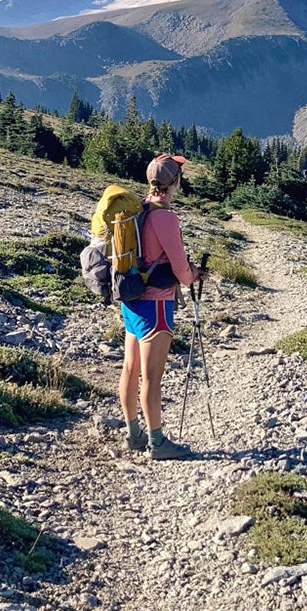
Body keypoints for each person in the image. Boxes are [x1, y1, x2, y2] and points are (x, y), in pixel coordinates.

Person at [118, 153, 204, 460]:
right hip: (157, 303)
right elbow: (181, 272)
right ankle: (158, 443)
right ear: (174, 182)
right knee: (152, 377)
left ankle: (133, 435)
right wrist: (194, 274)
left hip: (132, 300)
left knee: (131, 369)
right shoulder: (165, 217)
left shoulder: (138, 209)